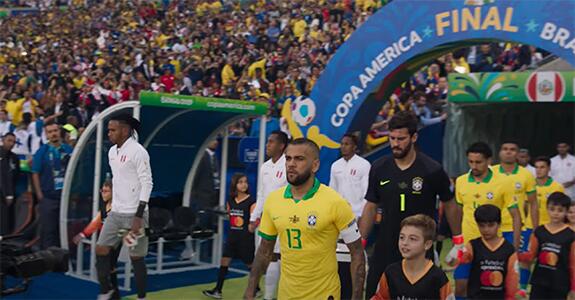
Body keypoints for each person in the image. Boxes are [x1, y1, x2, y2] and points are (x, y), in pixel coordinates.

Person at [244, 138, 366, 300]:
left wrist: (356, 297)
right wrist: (250, 289)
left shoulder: (335, 202)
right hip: (286, 294)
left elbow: (357, 253)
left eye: (299, 159)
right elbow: (265, 250)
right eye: (288, 158)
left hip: (324, 294)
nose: (291, 164)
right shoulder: (273, 201)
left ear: (315, 165)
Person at [359, 111, 461, 298]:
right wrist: (361, 243)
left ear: (414, 137)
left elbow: (450, 203)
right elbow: (371, 205)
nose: (395, 144)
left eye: (401, 138)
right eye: (392, 138)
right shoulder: (379, 167)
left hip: (419, 250)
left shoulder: (432, 169)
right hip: (385, 246)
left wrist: (458, 240)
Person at [450, 142, 522, 299]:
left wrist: (514, 246)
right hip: (469, 244)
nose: (474, 166)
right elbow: (458, 211)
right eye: (471, 162)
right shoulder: (461, 181)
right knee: (461, 286)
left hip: (493, 245)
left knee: (494, 287)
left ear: (489, 161)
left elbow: (516, 215)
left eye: (478, 162)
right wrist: (457, 241)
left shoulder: (503, 182)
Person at [96, 114, 153, 300]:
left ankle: (142, 297)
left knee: (136, 258)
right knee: (101, 249)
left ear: (125, 130)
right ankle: (107, 291)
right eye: (108, 130)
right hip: (116, 214)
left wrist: (138, 215)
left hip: (135, 215)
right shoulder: (112, 152)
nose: (109, 133)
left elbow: (147, 183)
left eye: (112, 130)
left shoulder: (139, 151)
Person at [371, 214, 452, 300]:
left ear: (427, 244)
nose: (405, 243)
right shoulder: (391, 273)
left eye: (412, 239)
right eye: (402, 237)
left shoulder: (438, 277)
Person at [203, 173, 258, 299]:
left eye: (245, 182)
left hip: (245, 238)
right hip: (232, 236)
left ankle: (256, 288)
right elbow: (230, 214)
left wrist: (252, 226)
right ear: (235, 185)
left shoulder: (251, 201)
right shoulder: (230, 200)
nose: (244, 184)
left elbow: (255, 218)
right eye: (240, 182)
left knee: (250, 264)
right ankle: (218, 290)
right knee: (224, 261)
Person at [329, 133, 371, 300]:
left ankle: (359, 288)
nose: (343, 146)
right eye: (342, 143)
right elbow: (332, 191)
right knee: (337, 254)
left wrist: (362, 216)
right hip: (337, 217)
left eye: (347, 144)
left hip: (356, 216)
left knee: (357, 253)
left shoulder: (364, 165)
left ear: (355, 146)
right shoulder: (335, 166)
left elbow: (367, 193)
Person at [493, 140, 538, 293]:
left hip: (517, 226)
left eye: (512, 149)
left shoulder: (527, 175)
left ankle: (521, 290)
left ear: (518, 154)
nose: (508, 152)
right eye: (505, 149)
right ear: (499, 152)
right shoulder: (490, 172)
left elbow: (533, 204)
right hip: (494, 227)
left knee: (519, 261)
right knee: (495, 261)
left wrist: (534, 229)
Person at [249, 130, 288, 300]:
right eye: (268, 141)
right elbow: (261, 194)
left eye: (271, 142)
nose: (267, 145)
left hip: (285, 218)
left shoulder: (288, 165)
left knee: (279, 257)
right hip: (267, 219)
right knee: (269, 257)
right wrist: (253, 217)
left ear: (281, 146)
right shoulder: (264, 167)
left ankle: (275, 295)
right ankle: (269, 295)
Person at [518, 192, 575, 299]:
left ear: (566, 212)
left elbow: (572, 264)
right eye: (552, 209)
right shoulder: (539, 231)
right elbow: (531, 256)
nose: (555, 213)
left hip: (560, 284)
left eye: (560, 210)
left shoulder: (571, 235)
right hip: (539, 282)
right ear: (547, 209)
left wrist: (573, 288)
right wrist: (516, 255)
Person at [456, 205, 519, 299]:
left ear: (499, 224)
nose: (486, 230)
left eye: (491, 225)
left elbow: (512, 279)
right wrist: (458, 253)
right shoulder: (472, 245)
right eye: (482, 226)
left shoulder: (509, 250)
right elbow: (454, 261)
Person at [73, 181, 121, 299]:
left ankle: (106, 291)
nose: (102, 194)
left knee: (104, 266)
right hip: (107, 242)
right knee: (109, 267)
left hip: (116, 241)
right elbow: (96, 222)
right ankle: (113, 294)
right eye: (101, 191)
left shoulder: (119, 208)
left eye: (105, 191)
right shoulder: (104, 207)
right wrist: (83, 234)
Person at [31, 121, 73, 249]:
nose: (53, 134)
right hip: (48, 196)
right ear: (46, 134)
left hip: (65, 196)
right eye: (50, 132)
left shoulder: (68, 150)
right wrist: (40, 195)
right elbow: (35, 173)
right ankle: (48, 260)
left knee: (64, 229)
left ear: (59, 131)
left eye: (55, 131)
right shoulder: (41, 152)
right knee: (48, 229)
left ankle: (63, 258)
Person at [191, 139, 221, 228]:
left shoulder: (215, 156)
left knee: (211, 223)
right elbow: (195, 178)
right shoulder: (201, 156)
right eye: (213, 139)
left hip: (214, 196)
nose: (215, 142)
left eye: (216, 140)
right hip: (203, 196)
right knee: (203, 222)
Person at [533, 156, 564, 225]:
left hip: (549, 225)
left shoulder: (557, 187)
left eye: (542, 167)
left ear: (549, 168)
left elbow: (561, 208)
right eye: (536, 167)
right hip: (529, 226)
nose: (538, 170)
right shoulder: (529, 185)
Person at [0, 132, 20, 235]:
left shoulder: (14, 158)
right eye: (9, 141)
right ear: (3, 140)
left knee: (7, 223)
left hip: (10, 193)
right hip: (3, 194)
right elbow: (3, 176)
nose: (11, 144)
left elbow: (15, 175)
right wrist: (8, 194)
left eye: (13, 141)